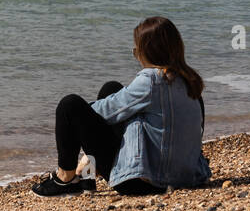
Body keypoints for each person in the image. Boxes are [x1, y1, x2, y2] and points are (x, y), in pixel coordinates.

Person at [32, 17, 211, 196]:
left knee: (69, 106)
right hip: (189, 177)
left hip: (145, 182)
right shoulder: (189, 80)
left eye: (136, 50)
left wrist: (76, 123)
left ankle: (65, 179)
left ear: (146, 52)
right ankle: (87, 175)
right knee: (111, 89)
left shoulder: (151, 81)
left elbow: (104, 111)